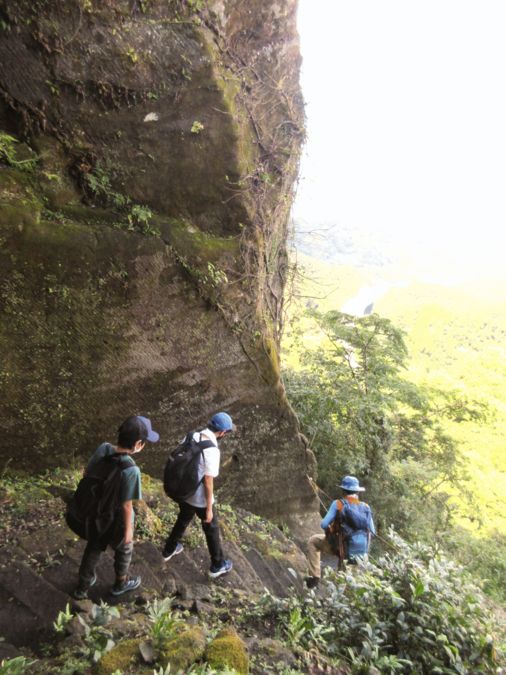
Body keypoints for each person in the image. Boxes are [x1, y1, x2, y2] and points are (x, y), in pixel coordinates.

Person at [72, 415, 160, 599]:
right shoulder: (131, 470)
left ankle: (82, 587)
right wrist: (128, 531)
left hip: (96, 514)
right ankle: (121, 582)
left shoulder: (104, 448)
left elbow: (88, 472)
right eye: (144, 443)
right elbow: (127, 505)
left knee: (94, 547)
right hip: (116, 520)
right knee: (124, 550)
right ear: (138, 444)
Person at [162, 412, 235, 579]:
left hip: (184, 491)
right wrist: (209, 508)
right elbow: (208, 481)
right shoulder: (212, 450)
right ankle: (217, 565)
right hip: (198, 497)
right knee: (211, 528)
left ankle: (169, 549)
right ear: (222, 432)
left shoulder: (191, 436)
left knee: (184, 518)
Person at [306, 475, 375, 588]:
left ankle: (314, 577)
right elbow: (372, 531)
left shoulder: (338, 504)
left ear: (343, 490)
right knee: (352, 581)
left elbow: (323, 524)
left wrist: (332, 529)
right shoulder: (366, 507)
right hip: (361, 552)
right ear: (357, 491)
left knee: (313, 541)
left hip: (340, 548)